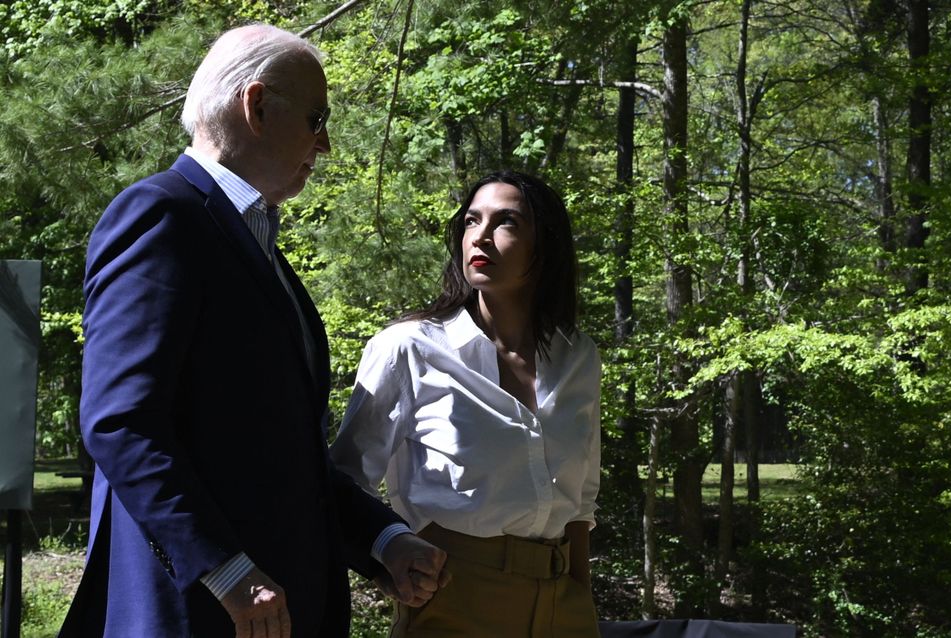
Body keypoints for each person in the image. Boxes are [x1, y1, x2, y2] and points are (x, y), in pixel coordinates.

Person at [59, 23, 447, 638]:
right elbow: (120, 421)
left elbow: (282, 452)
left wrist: (382, 540)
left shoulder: (254, 241)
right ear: (258, 106)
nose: (325, 146)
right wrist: (226, 570)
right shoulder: (163, 216)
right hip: (199, 613)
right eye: (318, 118)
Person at [331, 170, 602, 637]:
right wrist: (386, 558)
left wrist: (580, 599)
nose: (481, 237)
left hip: (564, 602)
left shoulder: (577, 356)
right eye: (472, 221)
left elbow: (580, 501)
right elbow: (343, 480)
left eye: (506, 222)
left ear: (546, 244)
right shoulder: (410, 348)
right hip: (453, 597)